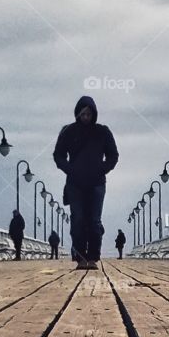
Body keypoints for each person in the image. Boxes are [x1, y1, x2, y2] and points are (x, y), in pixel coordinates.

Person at [53, 95, 118, 270]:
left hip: (97, 182)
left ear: (94, 114)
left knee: (94, 220)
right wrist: (70, 169)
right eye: (83, 114)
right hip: (75, 183)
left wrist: (102, 169)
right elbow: (58, 155)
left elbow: (113, 155)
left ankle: (93, 258)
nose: (86, 117)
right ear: (78, 114)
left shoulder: (102, 132)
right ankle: (80, 257)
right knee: (78, 219)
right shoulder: (69, 132)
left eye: (89, 114)